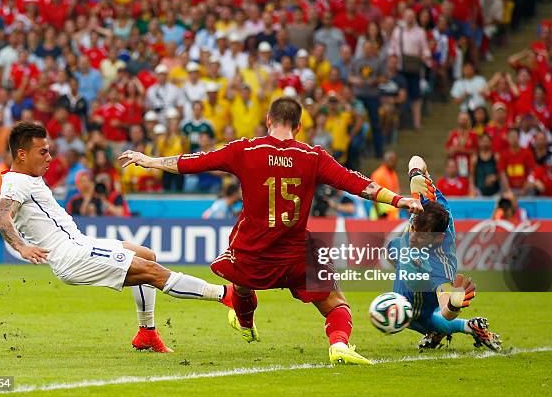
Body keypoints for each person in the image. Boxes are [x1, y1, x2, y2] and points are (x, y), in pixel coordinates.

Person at [120, 97, 423, 365]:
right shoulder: (313, 156)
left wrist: (150, 161)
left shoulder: (245, 149)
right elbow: (358, 184)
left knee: (240, 285)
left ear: (268, 121)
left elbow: (194, 162)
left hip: (252, 251)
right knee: (334, 302)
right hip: (295, 253)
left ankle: (245, 323)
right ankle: (339, 345)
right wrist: (399, 199)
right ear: (299, 126)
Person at [0, 122, 232, 353]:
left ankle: (147, 333)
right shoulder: (16, 183)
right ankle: (225, 294)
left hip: (80, 242)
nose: (49, 158)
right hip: (71, 255)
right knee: (153, 272)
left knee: (147, 255)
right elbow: (2, 218)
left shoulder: (27, 177)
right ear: (22, 155)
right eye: (43, 152)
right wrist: (21, 246)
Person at [386, 155, 502, 351]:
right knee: (393, 246)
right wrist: (415, 174)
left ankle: (468, 326)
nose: (413, 237)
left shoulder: (441, 263)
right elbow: (416, 159)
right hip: (406, 256)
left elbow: (446, 308)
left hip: (425, 272)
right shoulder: (431, 200)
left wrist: (453, 305)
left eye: (421, 237)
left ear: (437, 238)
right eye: (414, 228)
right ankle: (437, 330)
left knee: (407, 314)